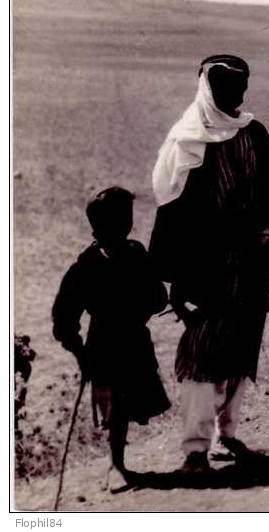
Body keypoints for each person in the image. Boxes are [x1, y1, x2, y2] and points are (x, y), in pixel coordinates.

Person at [149, 54, 269, 474]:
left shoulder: (255, 133)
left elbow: (267, 199)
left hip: (251, 264)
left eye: (243, 86)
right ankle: (195, 449)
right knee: (203, 353)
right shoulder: (188, 140)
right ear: (209, 88)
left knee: (243, 349)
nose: (238, 94)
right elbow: (171, 211)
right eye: (229, 87)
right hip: (206, 267)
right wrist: (175, 280)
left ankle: (227, 435)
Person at [52, 187, 171, 488]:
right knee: (115, 404)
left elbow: (158, 297)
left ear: (127, 225)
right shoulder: (85, 267)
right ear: (95, 228)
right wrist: (81, 354)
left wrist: (140, 310)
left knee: (128, 401)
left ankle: (117, 463)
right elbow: (65, 318)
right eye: (108, 225)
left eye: (122, 223)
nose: (116, 231)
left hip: (133, 339)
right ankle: (115, 466)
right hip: (103, 344)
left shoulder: (136, 255)